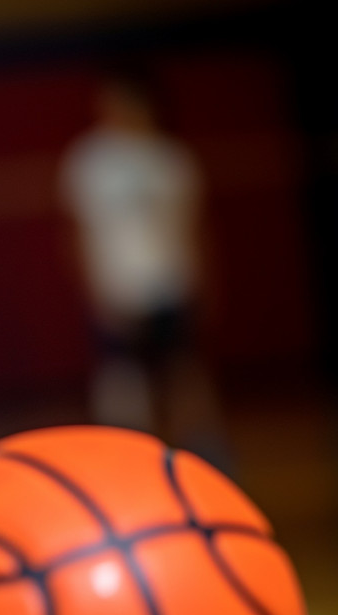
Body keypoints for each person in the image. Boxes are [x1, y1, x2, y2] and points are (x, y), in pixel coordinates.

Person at [60, 67, 227, 465]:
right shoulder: (90, 162)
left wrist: (203, 283)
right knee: (123, 381)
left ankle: (206, 458)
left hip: (170, 286)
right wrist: (96, 291)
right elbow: (78, 235)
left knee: (184, 374)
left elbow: (193, 229)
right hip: (119, 289)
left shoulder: (173, 160)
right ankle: (127, 461)